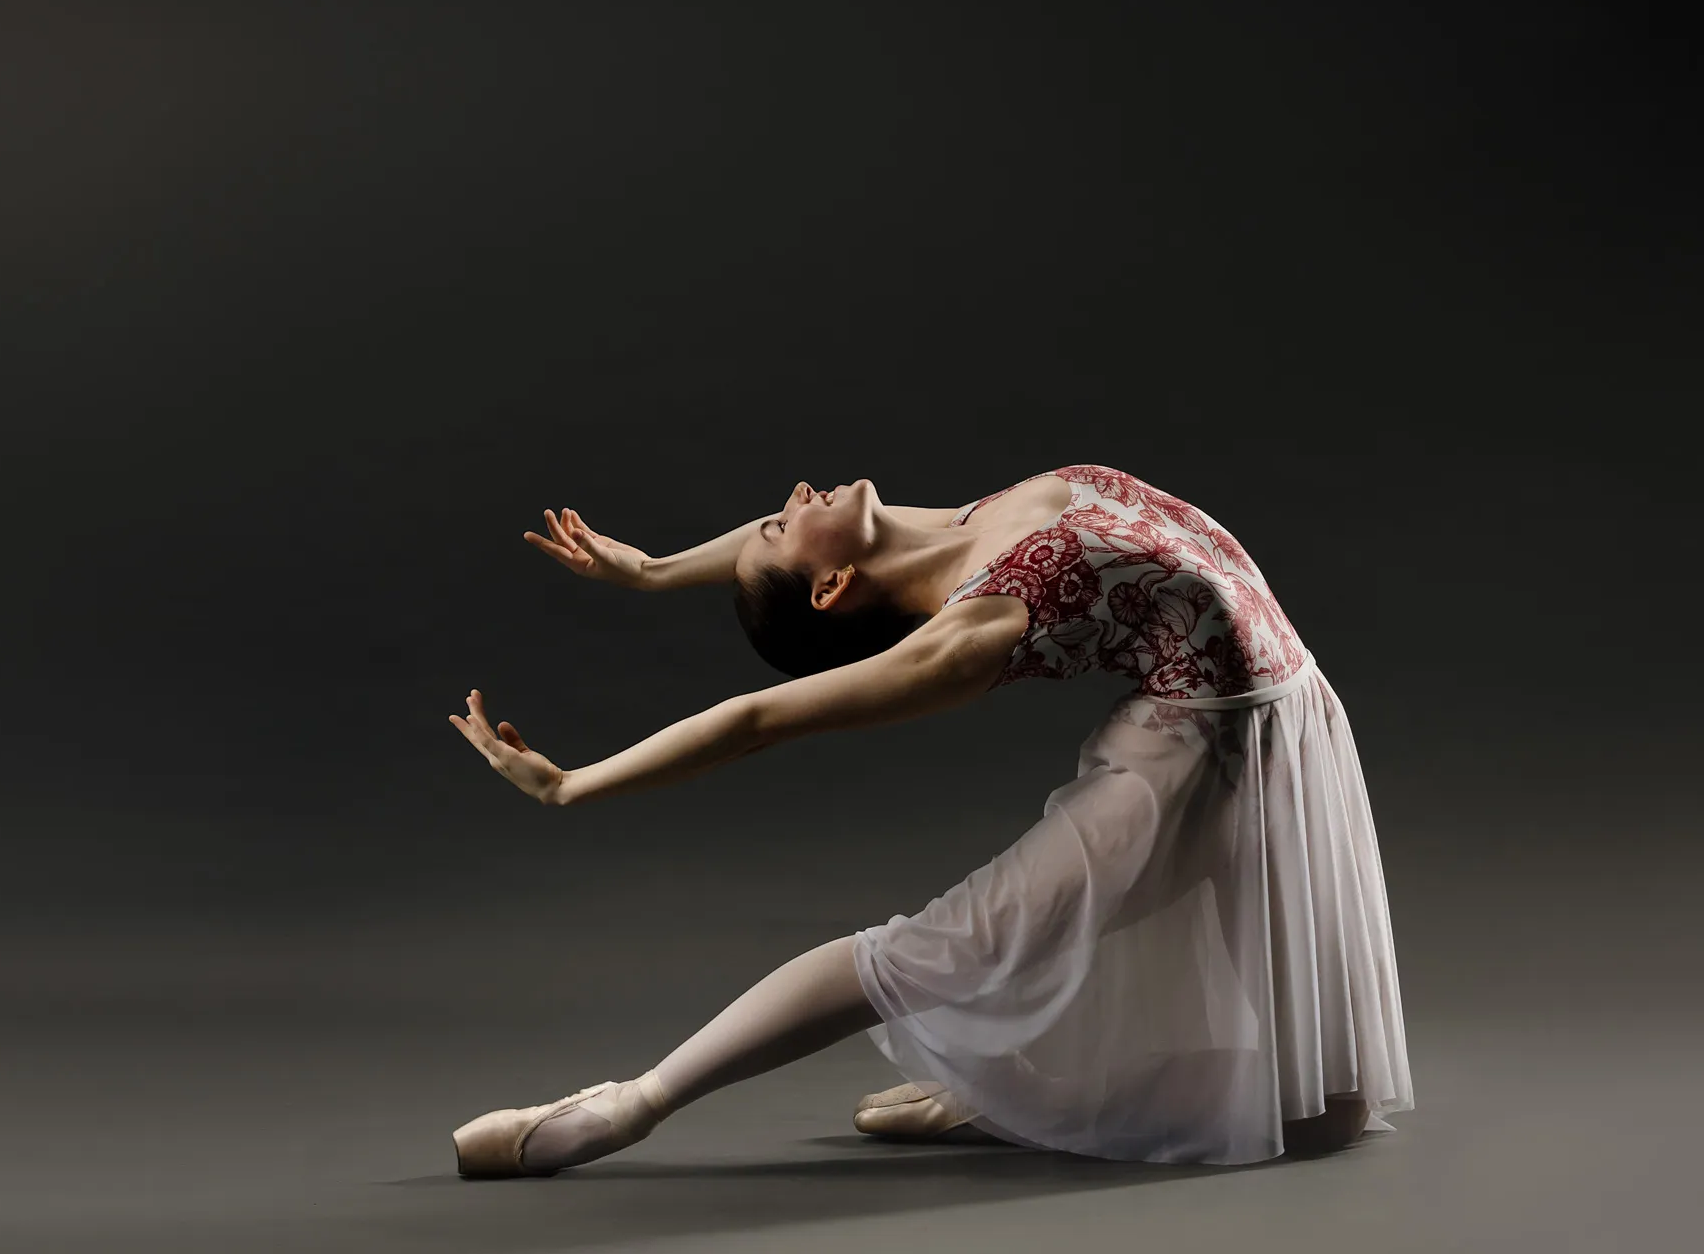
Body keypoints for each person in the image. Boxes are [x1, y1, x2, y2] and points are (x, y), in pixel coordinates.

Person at [448, 464, 1412, 1174]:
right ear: (830, 588)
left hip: (1296, 719)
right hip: (1191, 767)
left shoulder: (956, 523)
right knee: (918, 955)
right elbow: (753, 719)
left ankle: (1007, 1098)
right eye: (786, 529)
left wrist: (656, 571)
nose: (792, 497)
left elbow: (779, 553)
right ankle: (625, 1108)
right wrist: (575, 784)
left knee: (1336, 1113)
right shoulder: (969, 631)